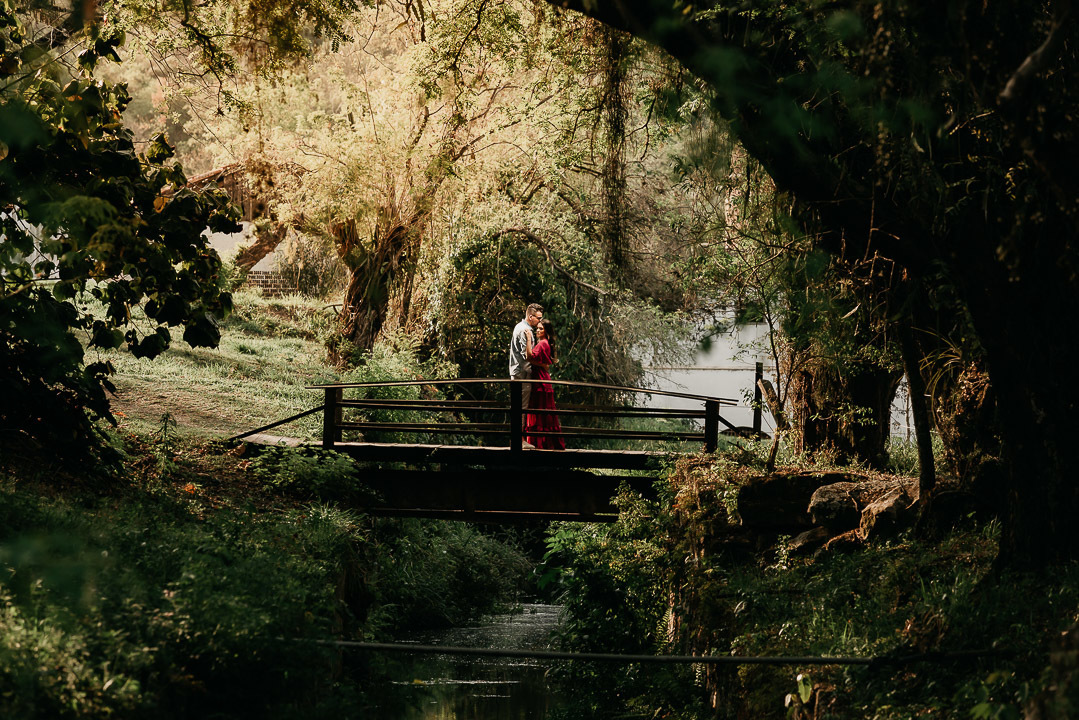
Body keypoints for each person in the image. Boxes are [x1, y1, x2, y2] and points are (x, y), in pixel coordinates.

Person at [525, 319, 566, 450]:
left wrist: (528, 338)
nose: (537, 330)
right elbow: (544, 363)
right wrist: (543, 365)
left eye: (541, 329)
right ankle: (543, 443)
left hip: (540, 381)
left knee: (539, 411)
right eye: (537, 328)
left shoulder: (543, 343)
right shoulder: (545, 343)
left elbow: (529, 357)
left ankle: (540, 444)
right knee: (543, 412)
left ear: (546, 331)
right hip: (542, 379)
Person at [509, 302, 543, 410]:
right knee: (522, 408)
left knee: (517, 406)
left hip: (516, 371)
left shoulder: (519, 326)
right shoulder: (524, 330)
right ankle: (520, 427)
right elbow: (526, 356)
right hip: (522, 374)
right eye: (538, 318)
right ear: (530, 316)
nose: (540, 321)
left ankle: (518, 426)